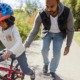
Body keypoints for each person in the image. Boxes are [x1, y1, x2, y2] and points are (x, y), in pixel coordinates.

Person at [24, 0, 74, 80]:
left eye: (52, 6)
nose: (49, 9)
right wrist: (26, 44)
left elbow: (70, 30)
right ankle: (46, 63)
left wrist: (68, 45)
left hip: (59, 34)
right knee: (43, 49)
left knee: (56, 53)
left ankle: (52, 72)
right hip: (47, 33)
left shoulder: (67, 12)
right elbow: (34, 31)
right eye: (47, 6)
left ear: (58, 3)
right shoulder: (41, 14)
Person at [0, 3, 35, 80]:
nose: (0, 24)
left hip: (19, 52)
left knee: (25, 71)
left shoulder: (13, 29)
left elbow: (19, 41)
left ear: (7, 19)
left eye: (1, 21)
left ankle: (32, 72)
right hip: (8, 50)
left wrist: (10, 51)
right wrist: (9, 51)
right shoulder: (0, 28)